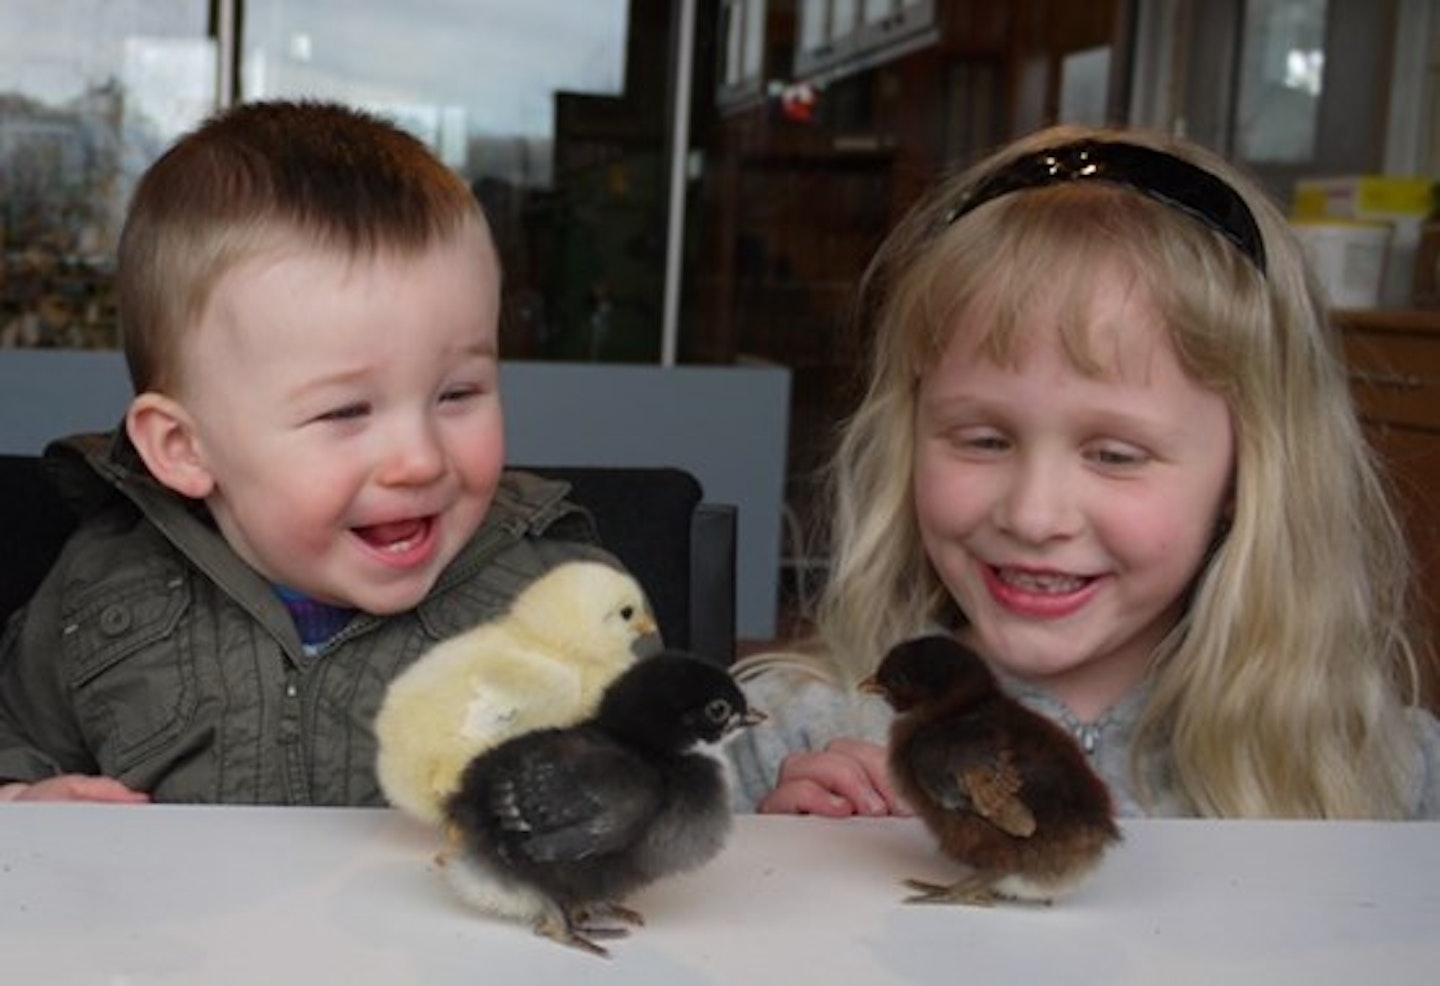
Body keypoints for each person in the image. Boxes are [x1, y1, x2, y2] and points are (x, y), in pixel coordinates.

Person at [728, 123, 1440, 820]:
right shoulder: (783, 739)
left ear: (1245, 476)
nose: (1035, 516)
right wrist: (788, 878)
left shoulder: (1386, 774)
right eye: (983, 440)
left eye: (1115, 455)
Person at [0, 100, 628, 805]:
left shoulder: (560, 602)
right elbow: (16, 741)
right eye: (346, 411)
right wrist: (23, 802)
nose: (420, 460)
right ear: (183, 448)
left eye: (457, 394)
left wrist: (762, 798)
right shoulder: (102, 589)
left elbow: (680, 782)